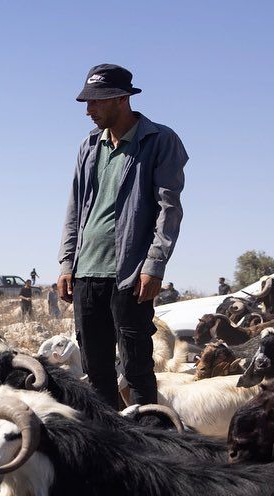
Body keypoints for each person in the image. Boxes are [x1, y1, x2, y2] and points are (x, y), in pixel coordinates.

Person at [57, 64, 188, 410]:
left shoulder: (159, 141)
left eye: (96, 102)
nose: (88, 110)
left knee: (137, 369)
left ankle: (149, 445)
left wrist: (154, 265)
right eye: (86, 102)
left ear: (121, 99)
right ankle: (112, 450)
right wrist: (66, 262)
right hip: (87, 274)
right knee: (96, 371)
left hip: (130, 275)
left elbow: (168, 209)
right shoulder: (89, 146)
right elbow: (75, 209)